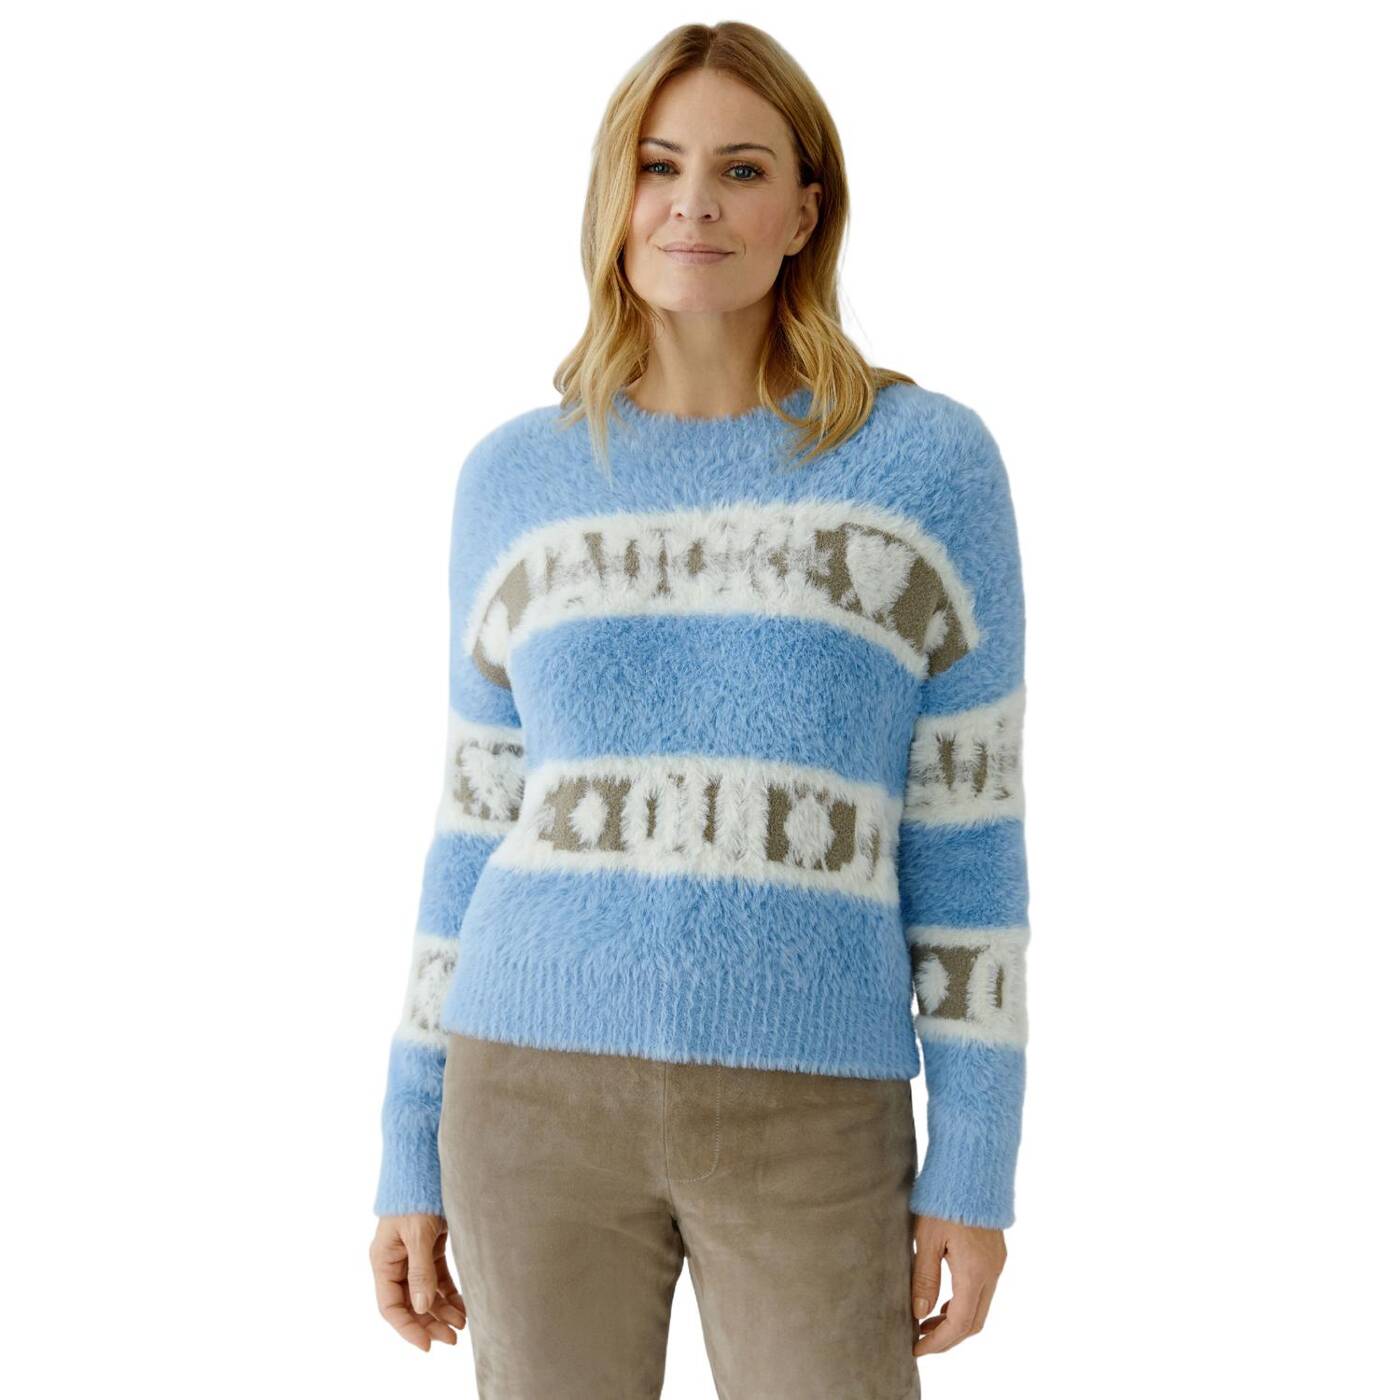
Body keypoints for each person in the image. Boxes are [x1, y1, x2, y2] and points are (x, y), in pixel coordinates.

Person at [368, 21, 1030, 1399]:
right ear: (614, 200)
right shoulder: (513, 478)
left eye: (741, 169)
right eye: (659, 166)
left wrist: (976, 1163)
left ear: (805, 211)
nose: (694, 205)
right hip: (526, 1086)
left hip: (815, 1107)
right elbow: (474, 823)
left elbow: (968, 834)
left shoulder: (926, 465)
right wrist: (405, 1149)